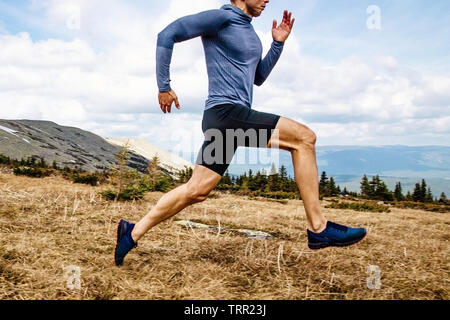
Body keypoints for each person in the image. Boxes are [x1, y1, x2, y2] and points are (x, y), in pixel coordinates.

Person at [114, 0, 367, 266]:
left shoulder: (249, 31)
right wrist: (164, 86)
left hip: (228, 120)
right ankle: (318, 228)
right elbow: (167, 34)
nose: (267, 0)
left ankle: (132, 232)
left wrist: (277, 44)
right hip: (226, 114)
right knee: (304, 138)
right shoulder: (221, 19)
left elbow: (257, 77)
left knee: (197, 190)